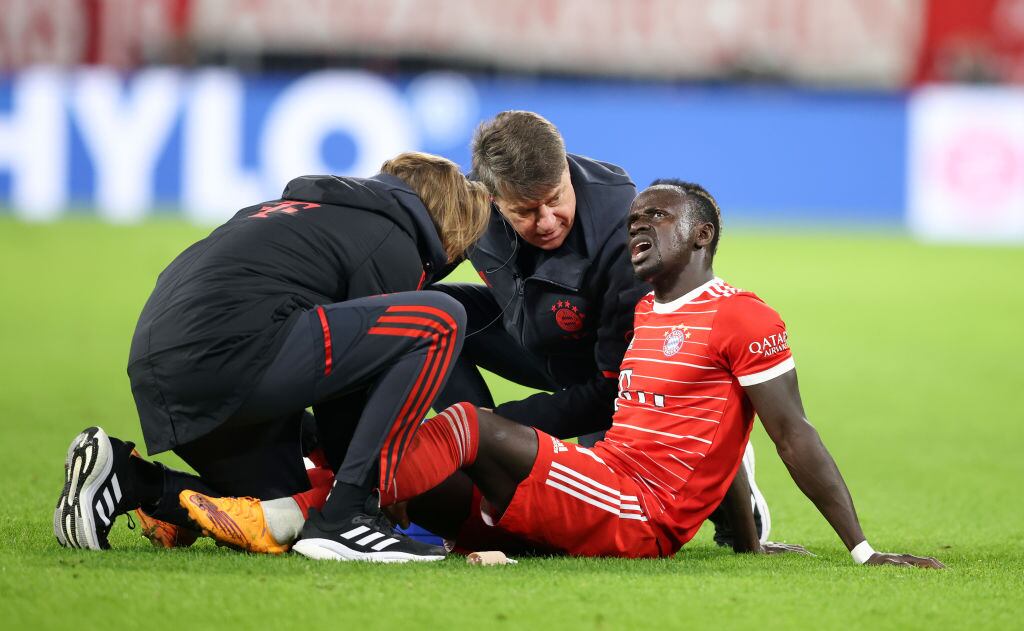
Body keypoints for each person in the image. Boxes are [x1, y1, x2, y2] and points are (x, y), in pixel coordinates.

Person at [358, 180, 944, 566]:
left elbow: (792, 435)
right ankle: (320, 498)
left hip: (640, 509)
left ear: (702, 235)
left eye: (657, 217)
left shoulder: (743, 316)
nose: (637, 227)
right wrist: (748, 545)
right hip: (603, 478)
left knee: (471, 426)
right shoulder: (645, 311)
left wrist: (863, 550)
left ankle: (340, 507)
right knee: (430, 486)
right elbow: (718, 441)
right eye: (634, 218)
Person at [53, 152, 491, 562]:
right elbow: (351, 396)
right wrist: (372, 490)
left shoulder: (299, 211)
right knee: (442, 317)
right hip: (229, 355)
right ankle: (347, 519)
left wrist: (317, 444)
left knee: (283, 511)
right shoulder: (392, 238)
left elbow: (335, 368)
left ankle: (129, 479)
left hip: (166, 369)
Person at [433, 110, 769, 543]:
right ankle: (476, 469)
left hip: (615, 378)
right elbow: (412, 271)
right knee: (429, 317)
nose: (547, 220)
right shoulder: (472, 203)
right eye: (526, 211)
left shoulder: (626, 233)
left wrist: (500, 425)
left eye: (555, 199)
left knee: (607, 496)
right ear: (493, 199)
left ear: (566, 170)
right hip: (534, 339)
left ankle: (733, 489)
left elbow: (609, 390)